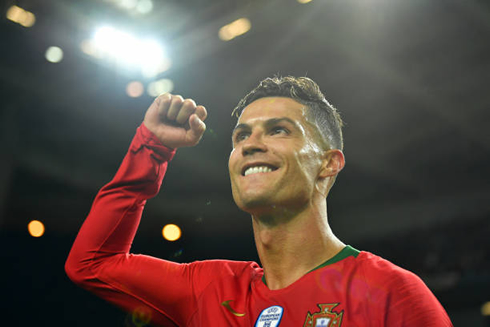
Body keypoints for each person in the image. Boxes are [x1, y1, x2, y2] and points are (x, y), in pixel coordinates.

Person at [65, 76, 453, 326]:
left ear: (328, 164)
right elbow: (92, 263)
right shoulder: (211, 290)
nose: (250, 144)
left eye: (279, 130)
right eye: (240, 136)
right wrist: (152, 149)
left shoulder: (390, 293)